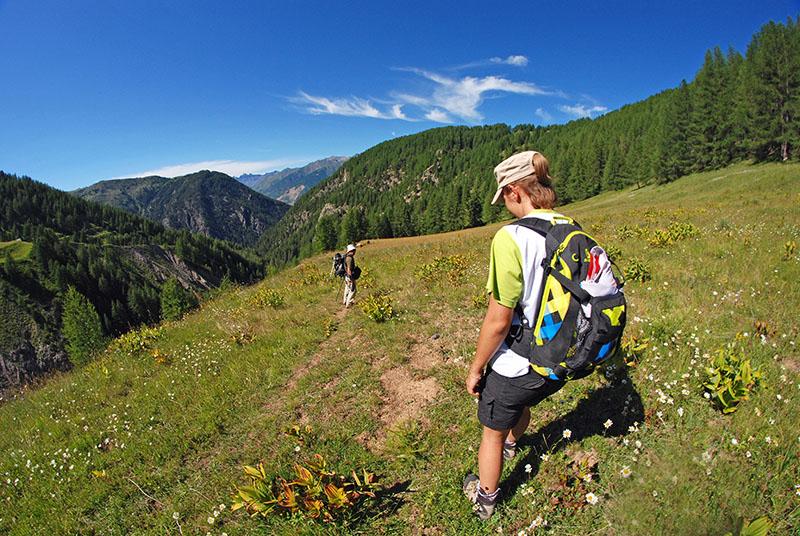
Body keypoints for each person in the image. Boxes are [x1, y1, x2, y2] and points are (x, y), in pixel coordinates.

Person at [463, 151, 568, 520]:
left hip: (519, 360)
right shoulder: (569, 226)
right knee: (521, 405)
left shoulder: (511, 238)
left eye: (503, 197)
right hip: (560, 357)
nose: (504, 205)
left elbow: (498, 320)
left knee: (491, 428)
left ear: (514, 191)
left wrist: (476, 367)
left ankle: (486, 499)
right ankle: (512, 445)